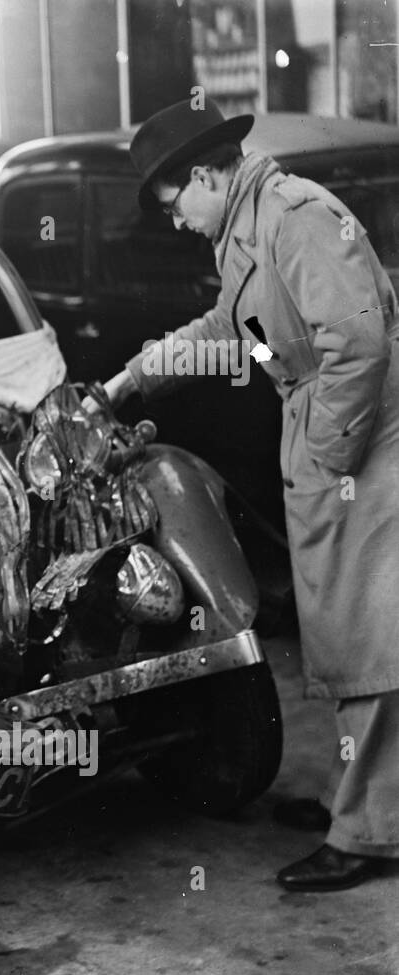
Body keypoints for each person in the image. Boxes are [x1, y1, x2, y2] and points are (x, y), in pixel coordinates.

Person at [100, 98, 399, 891]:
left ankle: (371, 835)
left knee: (370, 640)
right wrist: (135, 374)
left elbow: (360, 346)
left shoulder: (296, 217)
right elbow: (237, 329)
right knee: (346, 636)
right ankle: (371, 807)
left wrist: (328, 460)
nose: (175, 223)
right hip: (329, 429)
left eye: (174, 206)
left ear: (204, 175)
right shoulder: (250, 226)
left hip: (365, 439)